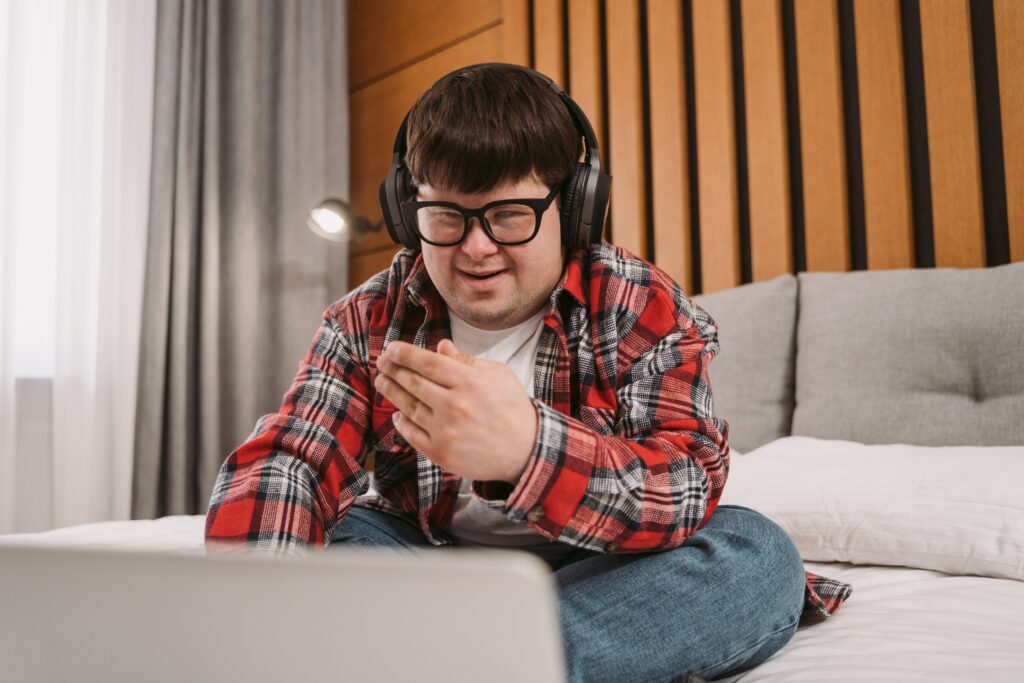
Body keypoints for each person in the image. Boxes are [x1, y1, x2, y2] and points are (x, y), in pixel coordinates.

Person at [205, 63, 851, 682]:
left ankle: (468, 660)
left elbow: (684, 482)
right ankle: (503, 661)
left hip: (606, 571)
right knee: (330, 531)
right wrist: (268, 614)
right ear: (409, 214)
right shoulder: (368, 317)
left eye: (509, 214)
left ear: (573, 209)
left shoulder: (637, 302)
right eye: (446, 216)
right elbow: (292, 461)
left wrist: (526, 450)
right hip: (435, 566)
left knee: (758, 554)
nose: (475, 246)